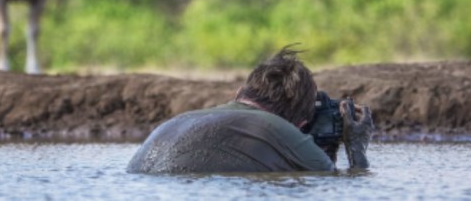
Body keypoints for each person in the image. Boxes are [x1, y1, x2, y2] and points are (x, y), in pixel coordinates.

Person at [126, 45, 373, 173]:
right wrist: (356, 147)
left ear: (239, 95)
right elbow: (331, 179)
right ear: (300, 126)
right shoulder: (283, 131)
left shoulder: (176, 121)